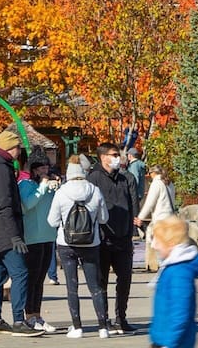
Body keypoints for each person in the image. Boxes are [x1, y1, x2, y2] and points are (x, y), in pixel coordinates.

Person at [0, 131, 43, 337]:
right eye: (18, 148)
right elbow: (4, 204)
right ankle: (19, 320)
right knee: (20, 273)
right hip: (5, 232)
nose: (20, 152)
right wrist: (14, 235)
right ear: (11, 147)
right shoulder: (1, 169)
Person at [50, 161, 111, 338]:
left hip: (66, 244)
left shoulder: (61, 192)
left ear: (68, 173)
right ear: (84, 172)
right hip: (91, 244)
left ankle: (77, 327)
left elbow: (52, 221)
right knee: (95, 286)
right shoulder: (95, 190)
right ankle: (103, 327)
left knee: (72, 286)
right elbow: (104, 218)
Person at [87, 142, 140, 333]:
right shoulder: (93, 178)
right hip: (101, 239)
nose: (118, 157)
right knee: (101, 282)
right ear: (103, 157)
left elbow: (133, 205)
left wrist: (132, 231)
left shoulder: (126, 178)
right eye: (114, 154)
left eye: (118, 154)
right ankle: (104, 319)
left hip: (123, 237)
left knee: (125, 279)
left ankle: (121, 318)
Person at [148, 215, 198, 348]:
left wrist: (170, 343)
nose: (154, 245)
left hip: (173, 342)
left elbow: (180, 311)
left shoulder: (180, 272)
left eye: (158, 241)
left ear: (170, 243)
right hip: (163, 338)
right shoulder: (171, 267)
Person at [19, 162, 59, 332]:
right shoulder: (25, 185)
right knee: (32, 279)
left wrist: (56, 186)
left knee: (41, 279)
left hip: (48, 236)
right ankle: (29, 316)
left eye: (46, 168)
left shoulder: (49, 185)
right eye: (41, 168)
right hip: (32, 237)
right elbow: (28, 204)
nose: (45, 171)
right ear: (33, 170)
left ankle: (37, 314)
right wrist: (42, 186)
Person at [135, 166, 176, 271]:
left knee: (158, 244)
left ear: (154, 173)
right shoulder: (169, 183)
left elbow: (149, 203)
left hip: (160, 218)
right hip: (170, 217)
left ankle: (164, 269)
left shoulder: (156, 183)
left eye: (149, 173)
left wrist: (140, 217)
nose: (149, 176)